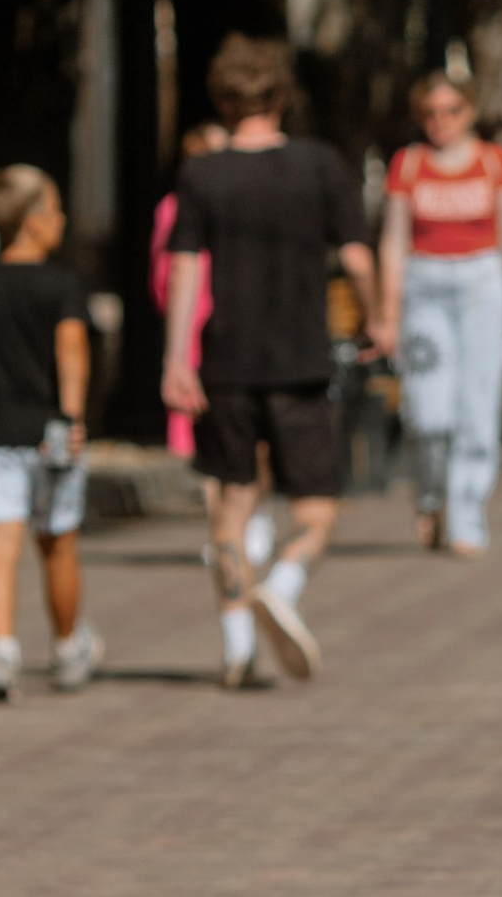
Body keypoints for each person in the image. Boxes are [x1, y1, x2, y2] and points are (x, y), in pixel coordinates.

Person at [160, 36, 377, 688]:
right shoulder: (319, 166)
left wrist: (178, 359)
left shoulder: (202, 175)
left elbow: (186, 269)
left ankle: (235, 647)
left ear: (222, 100)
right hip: (300, 360)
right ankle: (282, 583)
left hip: (224, 362)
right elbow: (359, 257)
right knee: (316, 507)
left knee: (231, 502)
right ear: (282, 96)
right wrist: (381, 317)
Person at [0, 166, 101, 701]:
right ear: (32, 223)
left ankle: (1, 650)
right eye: (54, 209)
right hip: (48, 433)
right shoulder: (61, 285)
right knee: (57, 545)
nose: (62, 219)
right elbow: (72, 352)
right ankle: (66, 647)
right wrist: (73, 418)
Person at [377, 72, 502, 554]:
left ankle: (467, 512)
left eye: (451, 111)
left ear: (470, 113)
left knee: (477, 404)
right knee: (429, 410)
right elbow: (392, 244)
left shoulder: (494, 162)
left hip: (482, 285)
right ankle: (430, 497)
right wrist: (387, 315)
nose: (440, 122)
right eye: (430, 112)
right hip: (424, 287)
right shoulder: (408, 165)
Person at [151, 125, 274, 578]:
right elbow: (164, 274)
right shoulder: (173, 209)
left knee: (253, 428)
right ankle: (223, 531)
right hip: (198, 333)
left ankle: (249, 518)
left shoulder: (252, 201)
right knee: (208, 436)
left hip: (245, 330)